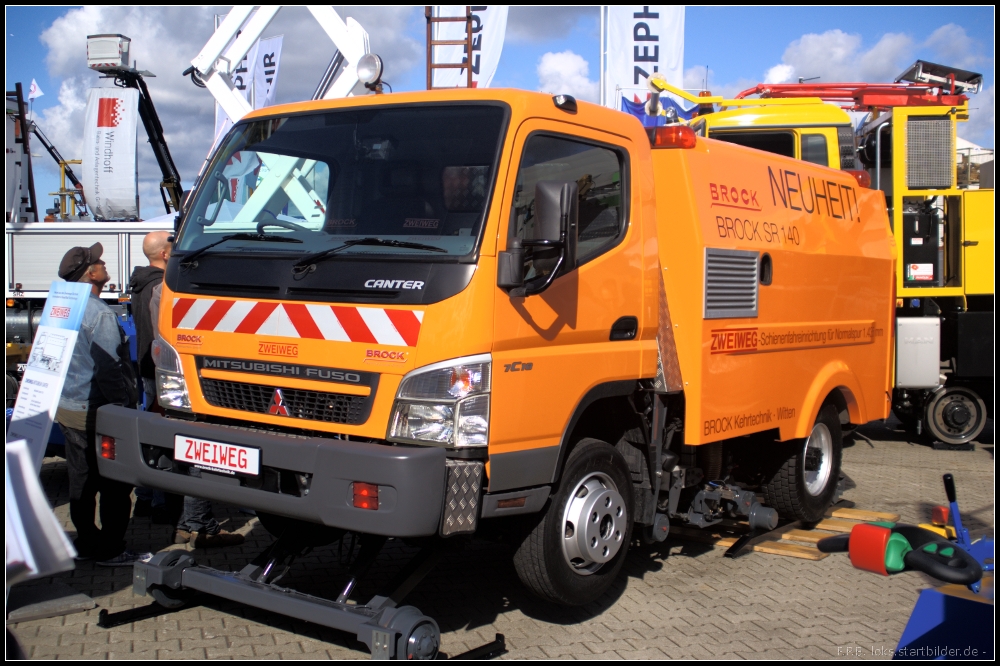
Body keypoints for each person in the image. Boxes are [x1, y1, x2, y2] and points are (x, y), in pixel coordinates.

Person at [55, 243, 151, 566]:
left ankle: (86, 542)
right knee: (114, 483)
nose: (104, 263)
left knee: (80, 479)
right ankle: (111, 548)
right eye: (99, 262)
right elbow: (110, 369)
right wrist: (122, 408)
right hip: (99, 413)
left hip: (69, 409)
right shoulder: (100, 314)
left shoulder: (61, 308)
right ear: (91, 274)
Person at [145, 238, 245, 549]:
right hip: (193, 387)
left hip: (179, 385)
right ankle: (196, 525)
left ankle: (190, 523)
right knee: (198, 458)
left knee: (184, 456)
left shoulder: (153, 290)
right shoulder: (170, 292)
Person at [127, 231, 174, 522]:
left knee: (151, 436)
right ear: (166, 255)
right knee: (162, 440)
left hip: (147, 368)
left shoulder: (140, 283)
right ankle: (161, 503)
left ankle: (145, 498)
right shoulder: (160, 288)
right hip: (161, 371)